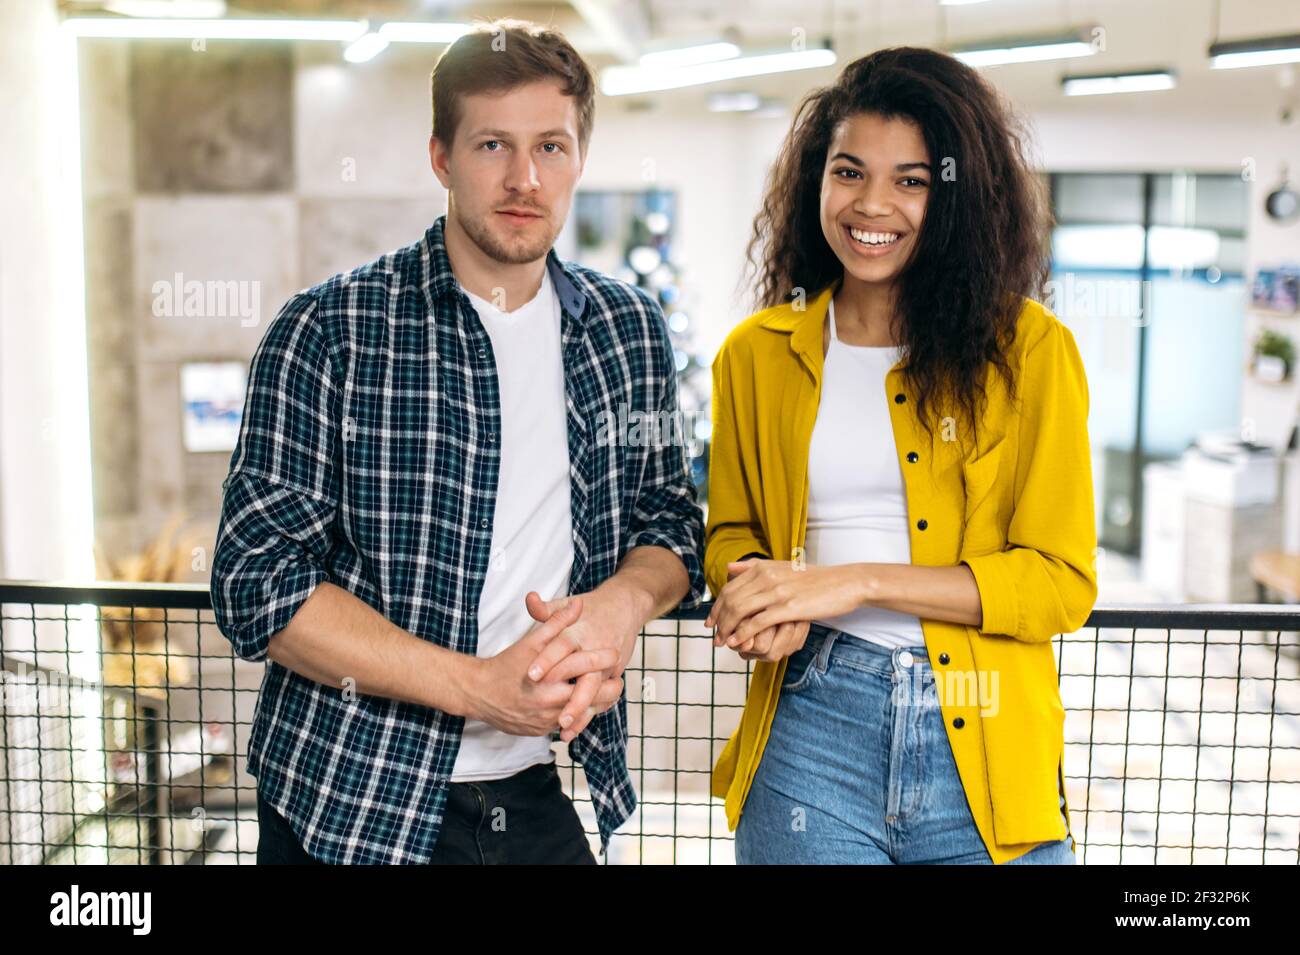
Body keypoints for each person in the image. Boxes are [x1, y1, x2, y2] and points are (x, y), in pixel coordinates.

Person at [211, 18, 705, 865]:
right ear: (440, 156)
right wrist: (482, 689)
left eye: (552, 147)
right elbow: (257, 584)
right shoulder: (332, 331)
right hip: (350, 793)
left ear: (580, 157)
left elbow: (669, 522)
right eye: (492, 146)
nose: (524, 178)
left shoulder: (627, 331)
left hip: (530, 788)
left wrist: (621, 608)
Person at [703, 46, 1097, 864]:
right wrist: (758, 597)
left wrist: (852, 580)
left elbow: (1059, 579)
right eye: (849, 172)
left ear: (954, 196)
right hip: (815, 725)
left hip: (988, 741)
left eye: (911, 180)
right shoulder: (756, 355)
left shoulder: (1032, 353)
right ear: (817, 180)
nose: (872, 204)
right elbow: (732, 531)